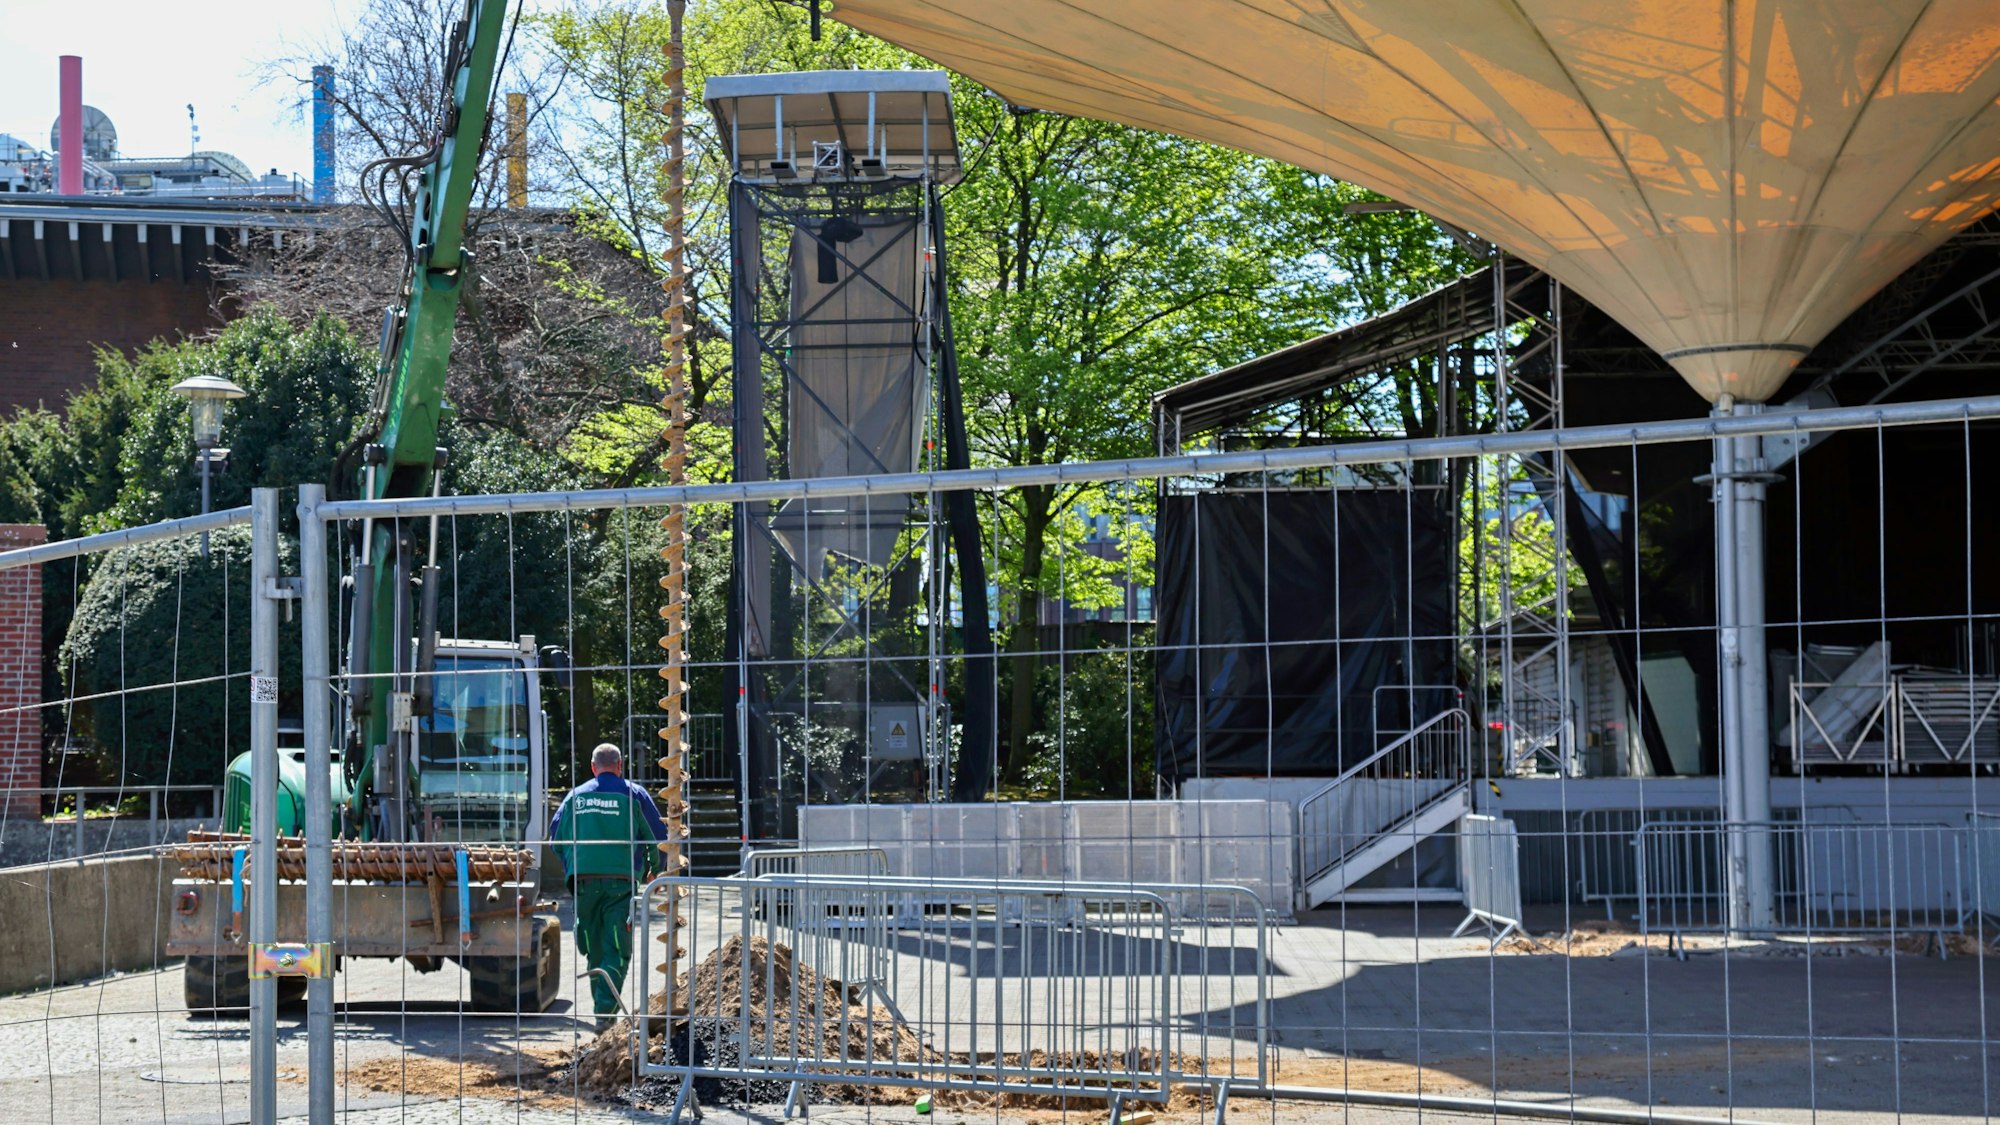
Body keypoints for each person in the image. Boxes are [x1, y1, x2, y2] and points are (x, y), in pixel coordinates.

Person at [548, 743, 669, 1027]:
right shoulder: (633, 794)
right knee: (617, 947)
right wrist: (655, 871)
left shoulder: (574, 797)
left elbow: (555, 840)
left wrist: (573, 866)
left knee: (594, 948)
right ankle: (604, 1014)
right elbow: (657, 836)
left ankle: (602, 1012)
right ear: (620, 765)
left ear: (593, 767)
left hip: (584, 883)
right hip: (620, 883)